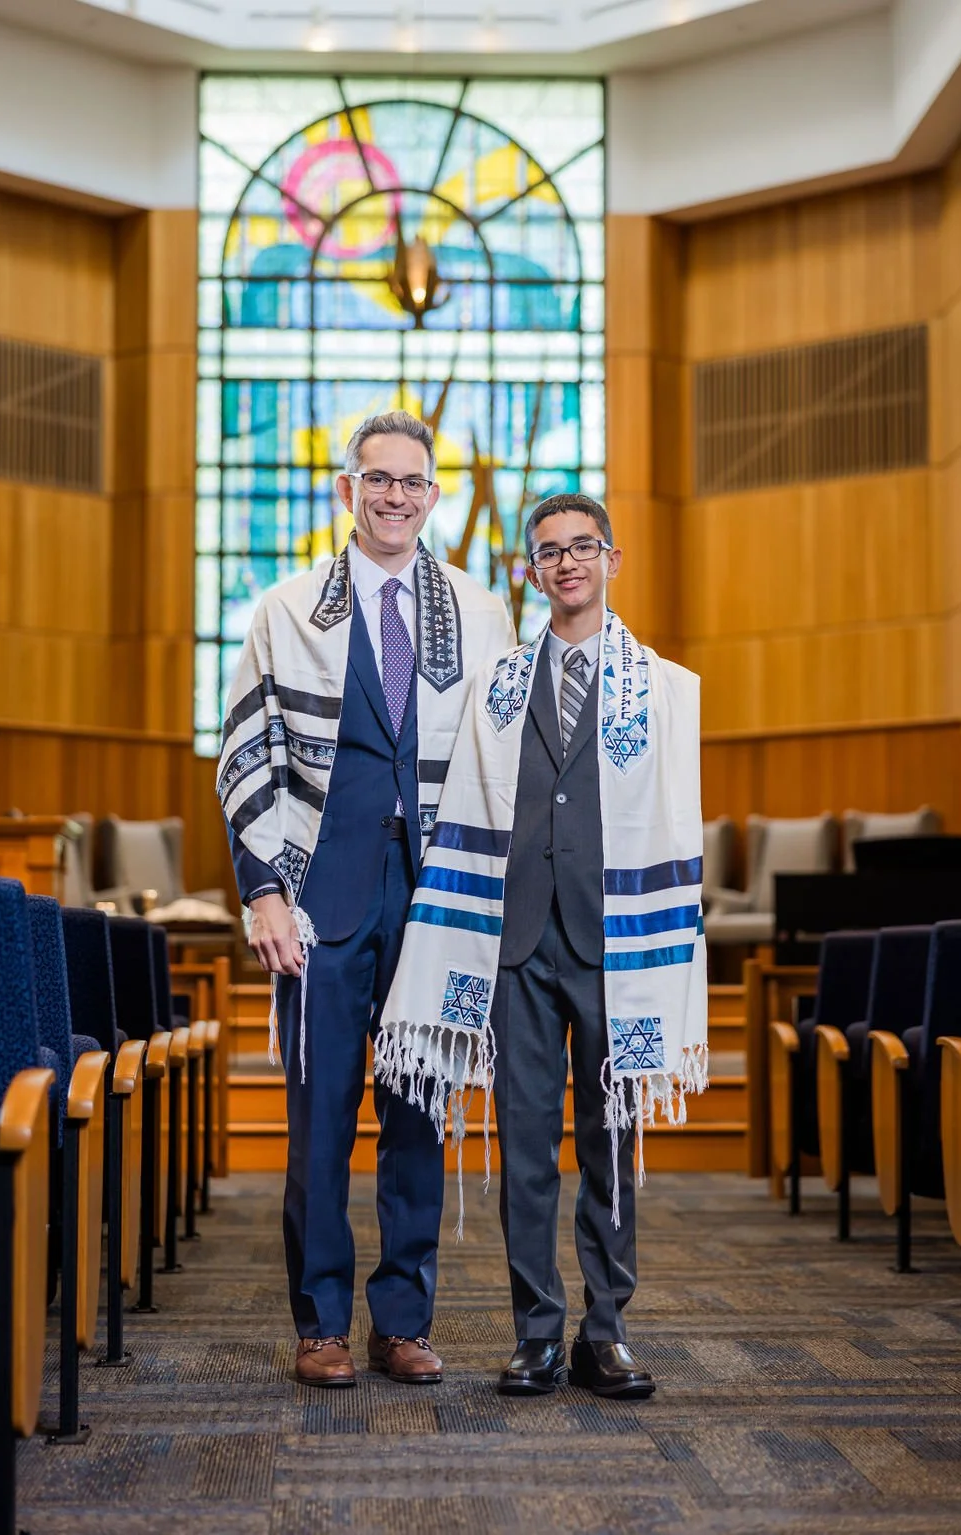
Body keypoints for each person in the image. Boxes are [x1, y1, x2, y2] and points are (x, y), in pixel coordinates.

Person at [375, 492, 707, 1399]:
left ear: (612, 558)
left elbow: (678, 826)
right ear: (532, 570)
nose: (568, 563)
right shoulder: (499, 685)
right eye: (551, 552)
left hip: (617, 946)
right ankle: (536, 1333)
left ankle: (607, 1331)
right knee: (526, 1146)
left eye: (583, 547)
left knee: (610, 1144)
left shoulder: (667, 692)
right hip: (515, 944)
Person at [217, 411, 514, 1389]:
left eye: (412, 482)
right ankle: (319, 1321)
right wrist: (263, 891)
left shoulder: (477, 614)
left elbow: (499, 767)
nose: (394, 496)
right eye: (377, 479)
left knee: (418, 1112)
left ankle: (402, 1317)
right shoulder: (288, 610)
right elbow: (245, 761)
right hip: (323, 896)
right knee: (320, 1120)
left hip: (432, 899)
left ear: (434, 495)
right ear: (348, 489)